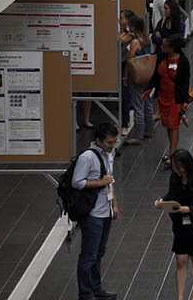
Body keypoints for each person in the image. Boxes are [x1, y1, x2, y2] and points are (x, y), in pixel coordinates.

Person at [157, 149, 193, 300]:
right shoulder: (174, 178)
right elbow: (171, 194)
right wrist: (162, 201)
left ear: (186, 165)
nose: (176, 170)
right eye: (174, 167)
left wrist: (189, 209)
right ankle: (180, 296)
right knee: (180, 260)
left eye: (178, 167)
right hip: (180, 226)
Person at [72, 121, 120, 300]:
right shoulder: (87, 157)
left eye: (114, 142)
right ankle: (85, 293)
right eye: (109, 142)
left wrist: (114, 204)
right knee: (89, 255)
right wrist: (101, 183)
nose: (112, 145)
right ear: (98, 141)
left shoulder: (109, 154)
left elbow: (111, 180)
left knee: (99, 253)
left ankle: (96, 287)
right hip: (93, 215)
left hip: (105, 211)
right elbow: (77, 182)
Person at [147, 34, 190, 166]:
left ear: (172, 48)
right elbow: (155, 75)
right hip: (163, 97)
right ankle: (173, 151)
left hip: (175, 98)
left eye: (164, 46)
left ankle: (173, 155)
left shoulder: (183, 61)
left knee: (174, 125)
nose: (161, 47)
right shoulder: (161, 57)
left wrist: (184, 101)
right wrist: (149, 89)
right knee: (168, 125)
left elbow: (185, 82)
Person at [124, 15, 155, 145]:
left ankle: (138, 135)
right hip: (147, 75)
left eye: (129, 25)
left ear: (133, 27)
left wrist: (126, 76)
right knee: (147, 102)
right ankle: (149, 129)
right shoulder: (146, 39)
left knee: (137, 105)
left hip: (136, 76)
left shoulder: (135, 42)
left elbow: (129, 61)